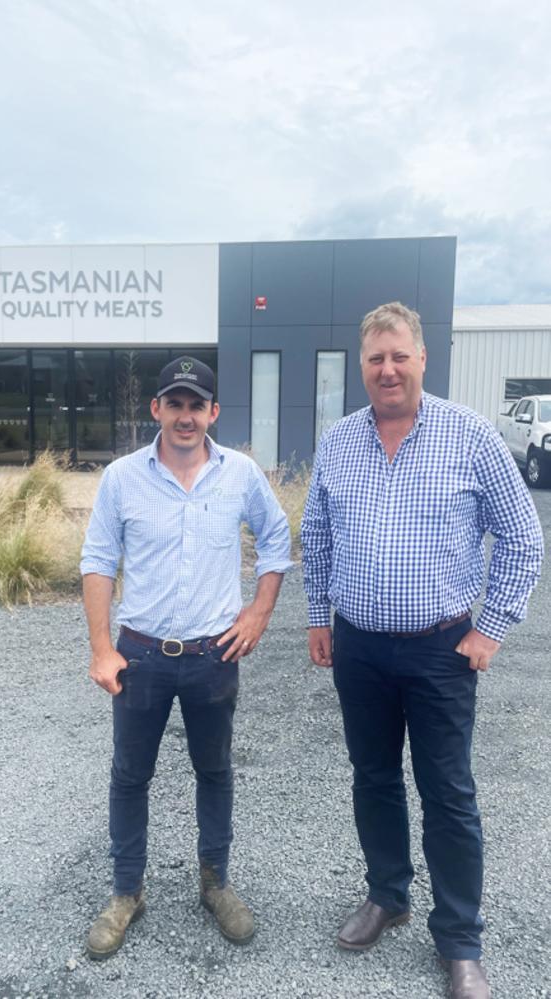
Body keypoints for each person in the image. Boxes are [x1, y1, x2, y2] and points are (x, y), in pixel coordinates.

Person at [301, 302, 543, 999]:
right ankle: (387, 893)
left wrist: (490, 627)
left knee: (449, 793)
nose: (387, 369)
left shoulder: (469, 435)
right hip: (360, 649)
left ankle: (461, 940)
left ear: (422, 358)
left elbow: (524, 537)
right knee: (372, 777)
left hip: (441, 649)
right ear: (362, 364)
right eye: (375, 358)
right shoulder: (339, 440)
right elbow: (316, 534)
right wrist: (320, 616)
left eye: (398, 355)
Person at [80, 355, 292, 960]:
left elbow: (277, 541)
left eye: (196, 405)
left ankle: (215, 884)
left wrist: (257, 613)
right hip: (140, 655)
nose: (185, 416)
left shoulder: (241, 475)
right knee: (129, 775)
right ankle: (127, 893)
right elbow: (98, 560)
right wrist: (102, 649)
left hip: (211, 656)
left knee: (215, 771)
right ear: (157, 410)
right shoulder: (122, 477)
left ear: (212, 413)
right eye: (174, 403)